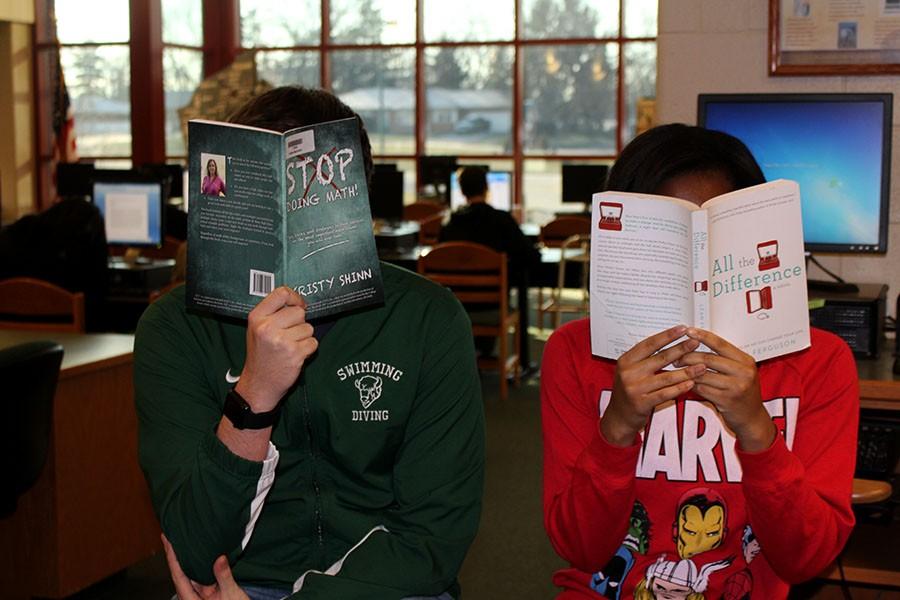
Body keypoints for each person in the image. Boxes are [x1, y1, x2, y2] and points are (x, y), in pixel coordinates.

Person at [135, 86, 485, 600]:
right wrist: (254, 395)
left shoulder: (427, 317)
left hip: (387, 588)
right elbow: (193, 547)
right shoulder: (175, 326)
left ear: (358, 202)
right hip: (238, 587)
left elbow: (434, 538)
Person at [541, 123, 858, 599]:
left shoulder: (820, 362)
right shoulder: (574, 352)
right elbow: (579, 549)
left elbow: (805, 559)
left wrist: (756, 428)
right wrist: (618, 427)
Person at [439, 166, 540, 364]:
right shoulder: (501, 220)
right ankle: (491, 354)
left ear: (461, 191)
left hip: (457, 304)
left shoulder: (448, 223)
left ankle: (474, 353)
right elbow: (531, 256)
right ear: (486, 188)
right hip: (492, 304)